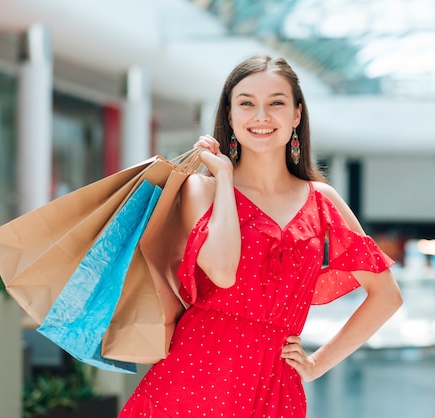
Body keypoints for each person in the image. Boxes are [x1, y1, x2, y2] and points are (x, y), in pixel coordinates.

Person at [119, 54, 403, 417]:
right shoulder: (201, 189)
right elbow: (222, 271)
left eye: (276, 103)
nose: (261, 116)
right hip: (194, 378)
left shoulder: (322, 200)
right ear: (230, 115)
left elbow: (386, 295)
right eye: (247, 103)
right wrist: (223, 178)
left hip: (275, 386)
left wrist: (317, 364)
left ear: (297, 114)